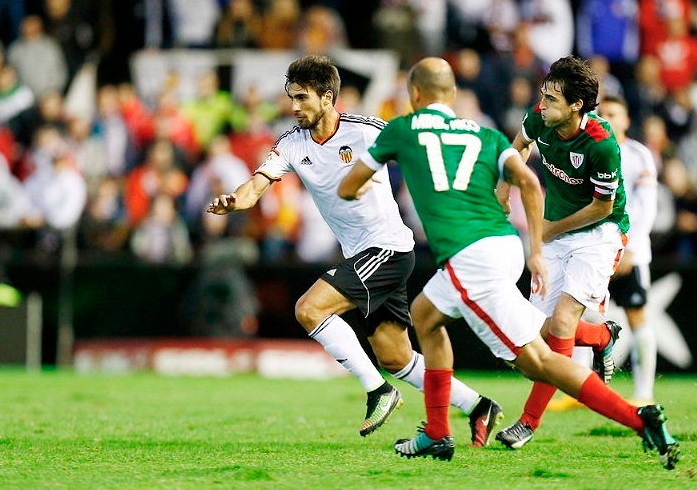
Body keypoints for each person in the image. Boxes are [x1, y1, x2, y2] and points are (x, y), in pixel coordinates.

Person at [338, 57, 679, 469]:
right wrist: (534, 246)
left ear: (414, 95)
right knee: (425, 317)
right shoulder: (485, 134)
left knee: (539, 361)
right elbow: (529, 180)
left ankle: (638, 419)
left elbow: (346, 188)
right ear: (452, 95)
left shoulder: (402, 128)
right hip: (504, 244)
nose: (542, 102)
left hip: (514, 248)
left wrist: (540, 238)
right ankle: (438, 431)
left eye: (551, 97)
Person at [207, 55, 503, 443]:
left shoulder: (364, 130)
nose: (294, 107)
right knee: (395, 356)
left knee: (309, 309)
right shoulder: (292, 144)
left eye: (302, 98)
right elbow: (257, 184)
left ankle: (378, 391)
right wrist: (235, 200)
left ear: (328, 98)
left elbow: (416, 148)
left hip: (388, 249)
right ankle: (479, 406)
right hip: (365, 254)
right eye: (291, 98)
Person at [492, 55, 630, 449]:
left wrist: (548, 228)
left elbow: (603, 206)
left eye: (552, 98)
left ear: (576, 106)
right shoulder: (542, 117)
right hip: (553, 233)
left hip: (599, 233)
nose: (542, 103)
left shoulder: (603, 145)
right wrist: (505, 186)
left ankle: (528, 424)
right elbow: (519, 145)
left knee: (563, 322)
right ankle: (602, 337)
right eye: (543, 94)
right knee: (534, 338)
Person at [551, 95, 660, 410]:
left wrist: (631, 247)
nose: (608, 118)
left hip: (630, 252)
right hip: (593, 249)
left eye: (615, 113)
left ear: (626, 120)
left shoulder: (639, 156)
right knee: (580, 312)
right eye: (603, 113)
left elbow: (645, 208)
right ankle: (580, 387)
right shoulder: (589, 149)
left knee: (637, 316)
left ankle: (644, 390)